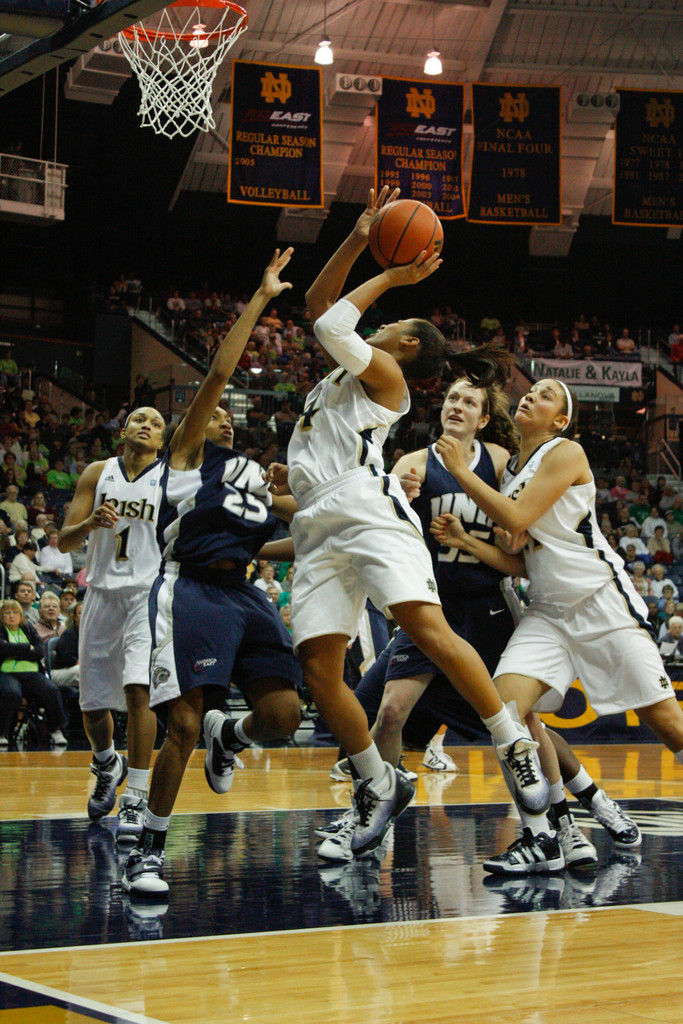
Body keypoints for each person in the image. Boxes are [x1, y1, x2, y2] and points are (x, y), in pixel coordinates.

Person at [279, 186, 546, 861]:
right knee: (319, 671)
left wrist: (394, 271)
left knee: (427, 628)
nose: (376, 321)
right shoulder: (347, 371)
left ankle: (509, 741)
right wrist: (359, 235)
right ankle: (377, 781)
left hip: (365, 508)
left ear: (401, 342)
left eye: (389, 319)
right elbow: (319, 307)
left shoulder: (387, 378)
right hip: (317, 521)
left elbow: (329, 324)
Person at [432, 377, 683, 873]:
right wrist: (468, 540)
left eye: (546, 395)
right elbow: (522, 563)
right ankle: (540, 838)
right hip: (547, 612)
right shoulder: (513, 473)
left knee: (673, 730)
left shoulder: (565, 452)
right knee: (503, 710)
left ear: (561, 419)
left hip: (600, 605)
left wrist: (459, 469)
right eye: (531, 391)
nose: (531, 395)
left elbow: (517, 515)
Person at [122, 249, 302, 898]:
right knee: (182, 727)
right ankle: (147, 849)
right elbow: (220, 372)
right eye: (214, 412)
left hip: (245, 591)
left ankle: (235, 736)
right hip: (189, 587)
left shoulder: (252, 474)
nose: (223, 414)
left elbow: (294, 526)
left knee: (282, 713)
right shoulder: (187, 454)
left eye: (228, 415)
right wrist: (259, 297)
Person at [58, 407, 167, 841]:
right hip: (101, 593)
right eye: (139, 418)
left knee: (139, 690)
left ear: (162, 442)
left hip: (147, 594)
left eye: (157, 424)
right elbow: (66, 540)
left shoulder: (169, 479)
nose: (146, 425)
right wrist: (88, 522)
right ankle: (106, 762)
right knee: (91, 702)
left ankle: (136, 795)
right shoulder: (98, 472)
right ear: (122, 430)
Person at [0, 599, 67, 748]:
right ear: (2, 616)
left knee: (51, 691)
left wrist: (13, 650)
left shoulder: (28, 628)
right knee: (12, 693)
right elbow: (2, 649)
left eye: (15, 612)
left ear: (21, 615)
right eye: (7, 613)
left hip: (31, 673)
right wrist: (25, 648)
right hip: (7, 673)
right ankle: (2, 732)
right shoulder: (1, 629)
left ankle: (55, 730)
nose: (12, 616)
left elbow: (38, 651)